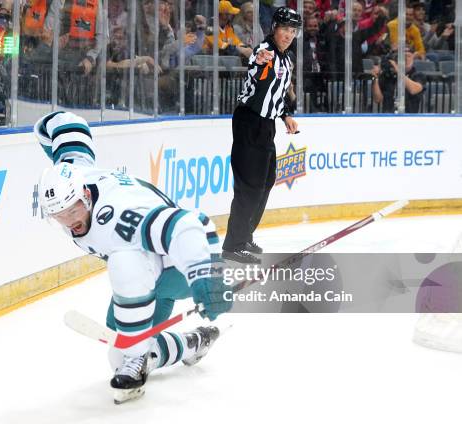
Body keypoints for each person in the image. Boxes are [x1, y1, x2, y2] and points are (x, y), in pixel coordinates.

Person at [35, 110, 230, 404]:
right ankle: (192, 342)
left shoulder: (119, 216)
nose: (70, 221)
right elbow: (66, 125)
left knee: (124, 265)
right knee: (119, 352)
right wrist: (46, 128)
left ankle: (140, 353)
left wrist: (206, 277)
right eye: (59, 217)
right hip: (153, 264)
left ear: (86, 196)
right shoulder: (75, 175)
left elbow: (190, 225)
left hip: (186, 258)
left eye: (73, 211)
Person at [221, 6, 301, 263]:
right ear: (274, 29)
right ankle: (232, 245)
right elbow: (257, 66)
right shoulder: (264, 51)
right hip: (249, 123)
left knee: (265, 183)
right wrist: (258, 62)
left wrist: (286, 113)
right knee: (250, 187)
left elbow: (281, 92)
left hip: (267, 126)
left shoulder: (287, 59)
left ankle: (244, 236)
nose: (288, 35)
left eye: (293, 30)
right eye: (285, 29)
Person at [371, 47, 425, 113]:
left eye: (408, 56)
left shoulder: (418, 75)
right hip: (388, 117)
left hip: (409, 117)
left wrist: (398, 70)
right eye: (403, 56)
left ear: (413, 58)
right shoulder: (387, 75)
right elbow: (378, 99)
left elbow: (413, 89)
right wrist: (375, 78)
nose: (406, 59)